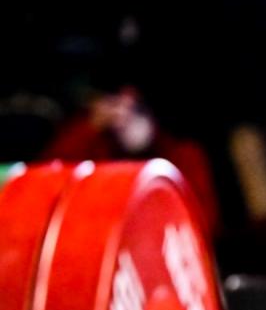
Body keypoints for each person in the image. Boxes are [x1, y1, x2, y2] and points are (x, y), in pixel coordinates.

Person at [42, 82, 221, 236]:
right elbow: (51, 175)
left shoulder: (183, 155)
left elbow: (204, 223)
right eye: (117, 102)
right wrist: (91, 127)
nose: (125, 109)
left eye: (133, 105)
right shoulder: (100, 152)